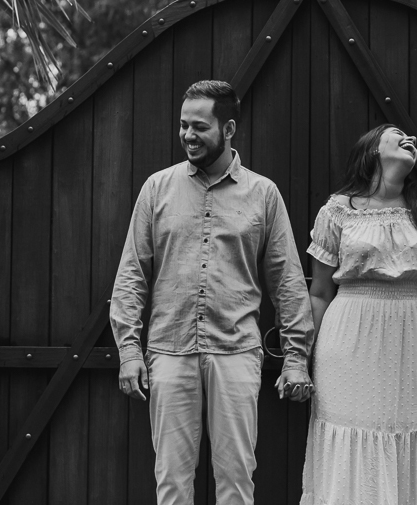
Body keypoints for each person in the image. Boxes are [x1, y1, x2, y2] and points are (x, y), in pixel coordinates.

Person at [110, 80, 315, 505]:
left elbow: (288, 281)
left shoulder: (263, 194)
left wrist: (296, 359)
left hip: (237, 351)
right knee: (171, 484)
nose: (187, 135)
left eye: (199, 127)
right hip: (169, 351)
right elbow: (132, 274)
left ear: (229, 129)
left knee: (237, 483)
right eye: (183, 125)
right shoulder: (157, 189)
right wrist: (129, 351)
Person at [300, 124, 417, 505]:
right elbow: (320, 293)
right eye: (398, 134)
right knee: (351, 440)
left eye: (413, 138)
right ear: (373, 150)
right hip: (348, 347)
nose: (413, 139)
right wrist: (302, 358)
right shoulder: (337, 211)